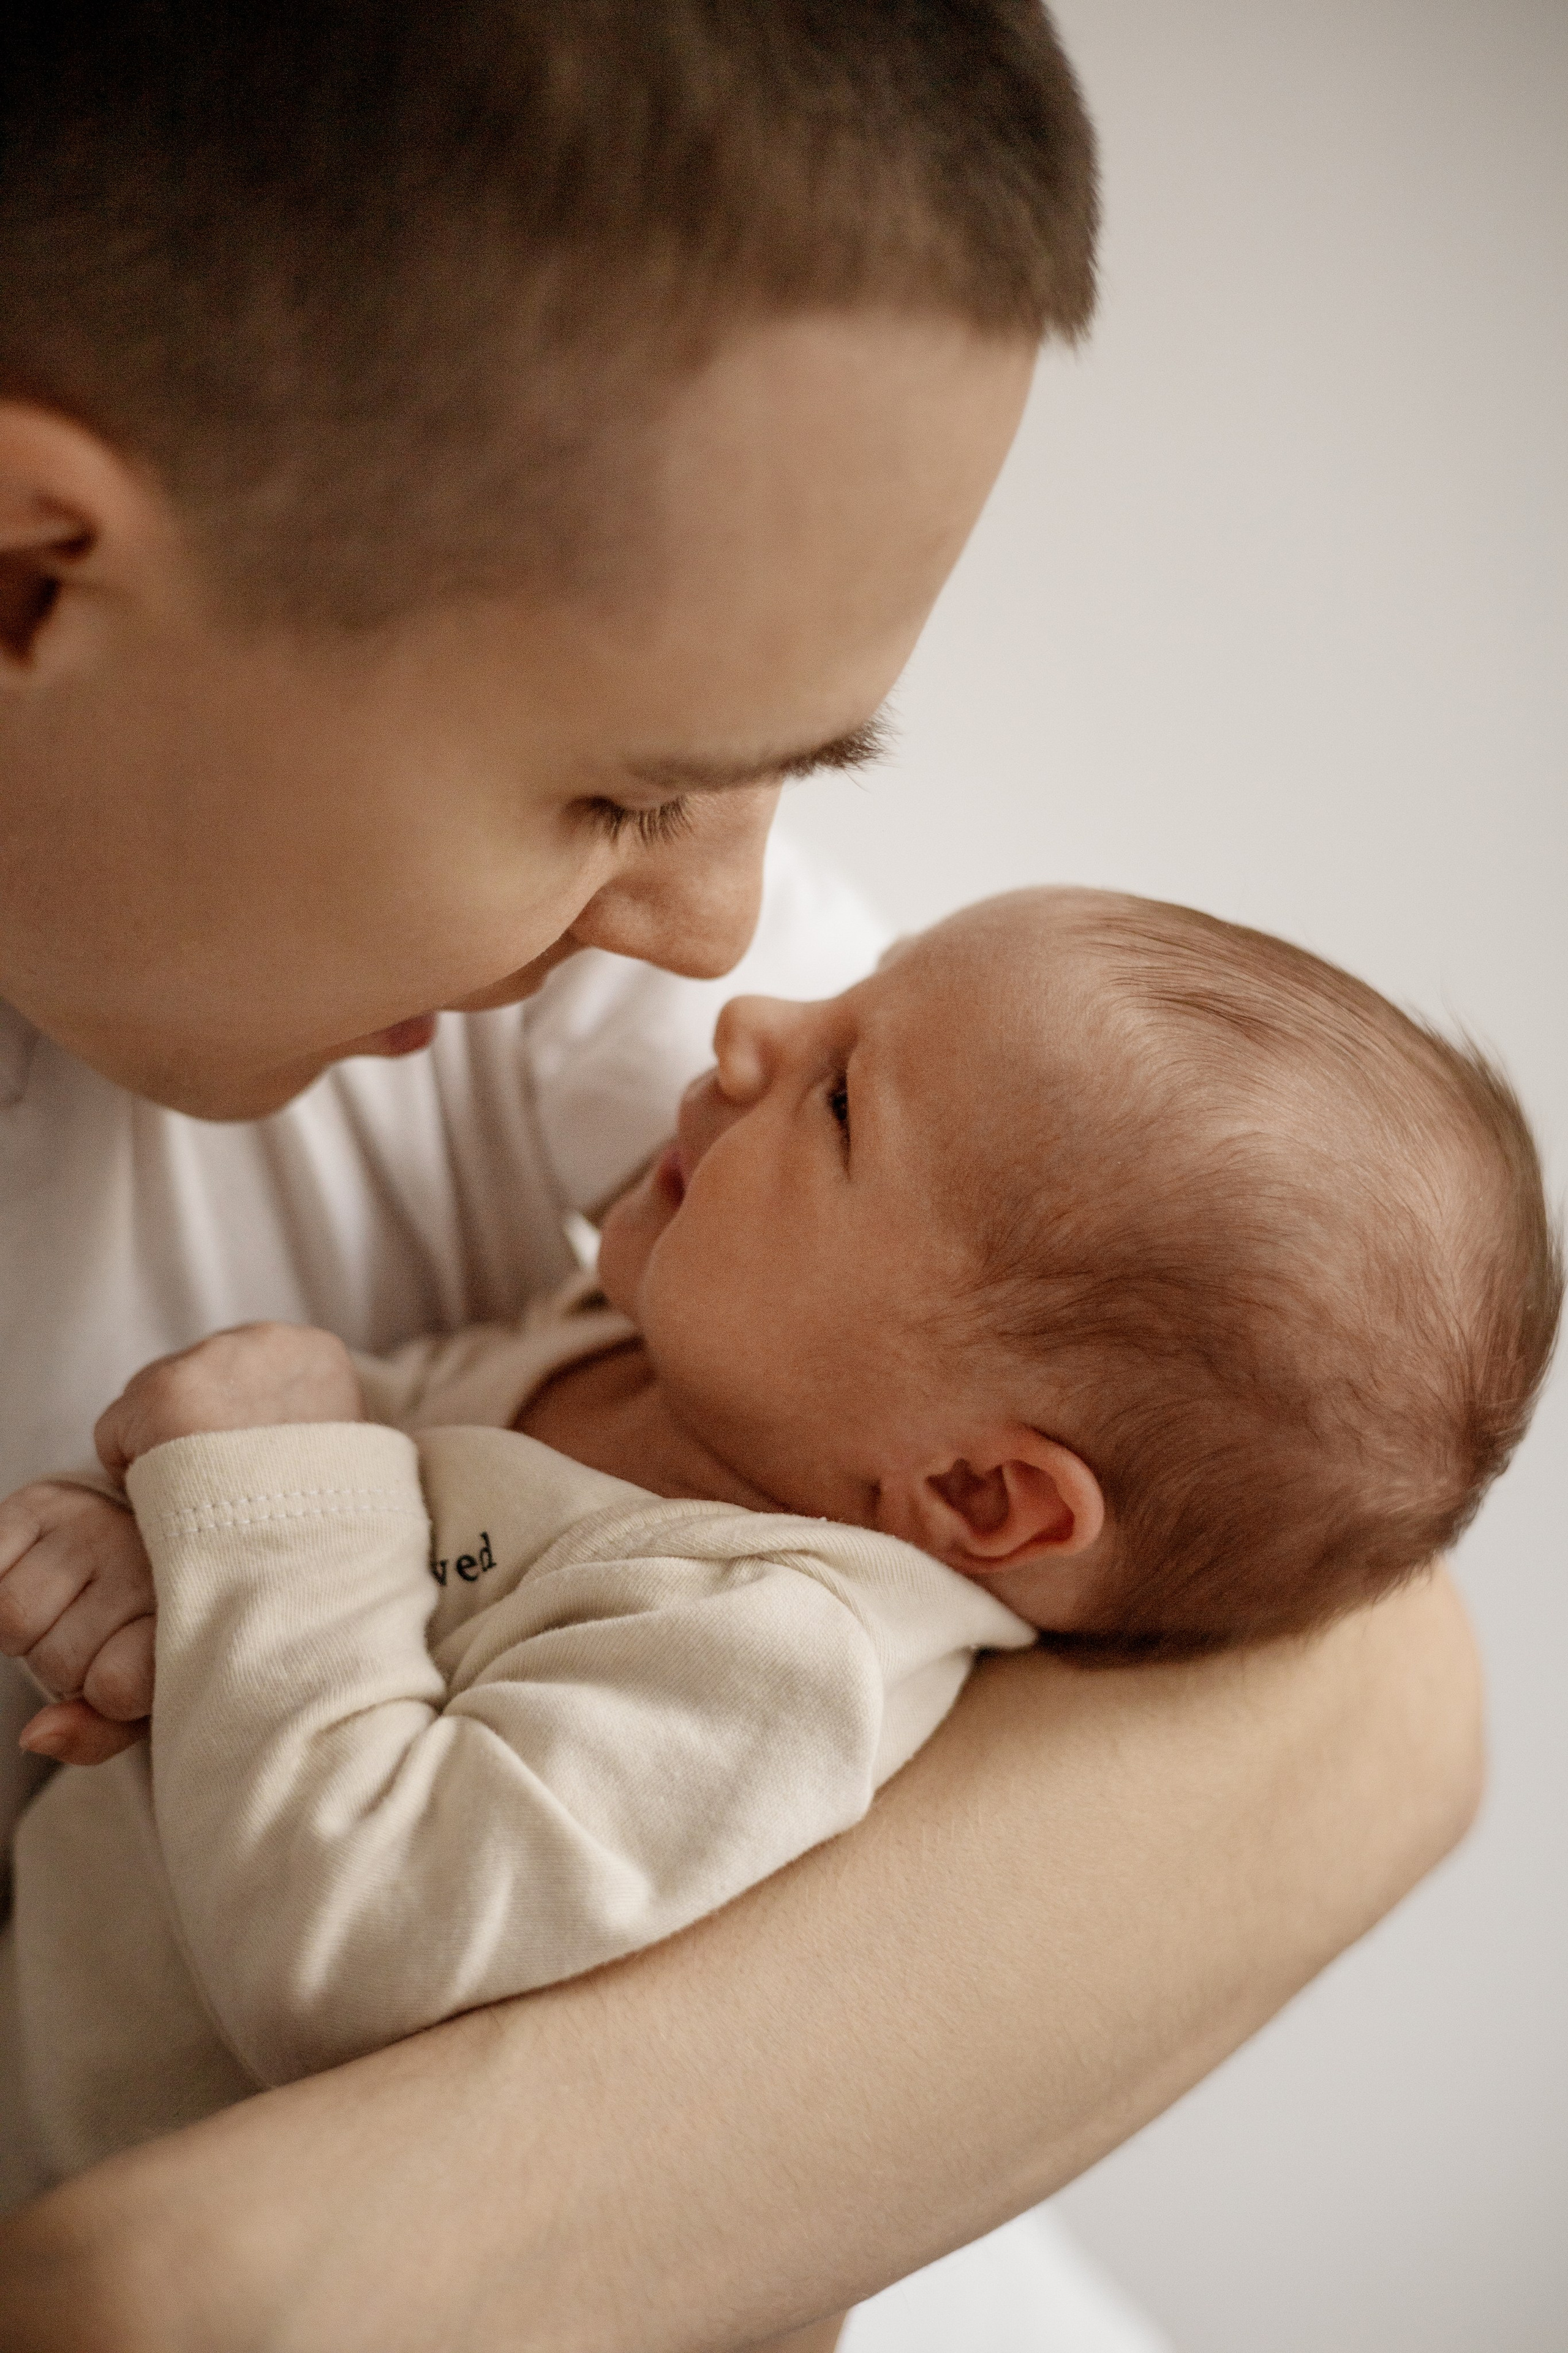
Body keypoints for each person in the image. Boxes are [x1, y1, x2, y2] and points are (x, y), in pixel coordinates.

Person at [0, 8, 1484, 2349]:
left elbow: (1363, 1684)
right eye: (620, 794)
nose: (720, 951)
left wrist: (213, 2278)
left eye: (782, 780)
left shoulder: (653, 1166)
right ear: (24, 578)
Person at [9, 888, 1540, 2322]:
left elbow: (354, 1950)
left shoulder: (770, 1653)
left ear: (976, 1499)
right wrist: (161, 1550)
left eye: (840, 1100)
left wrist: (269, 1477)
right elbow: (366, 1536)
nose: (750, 1021)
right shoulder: (630, 1364)